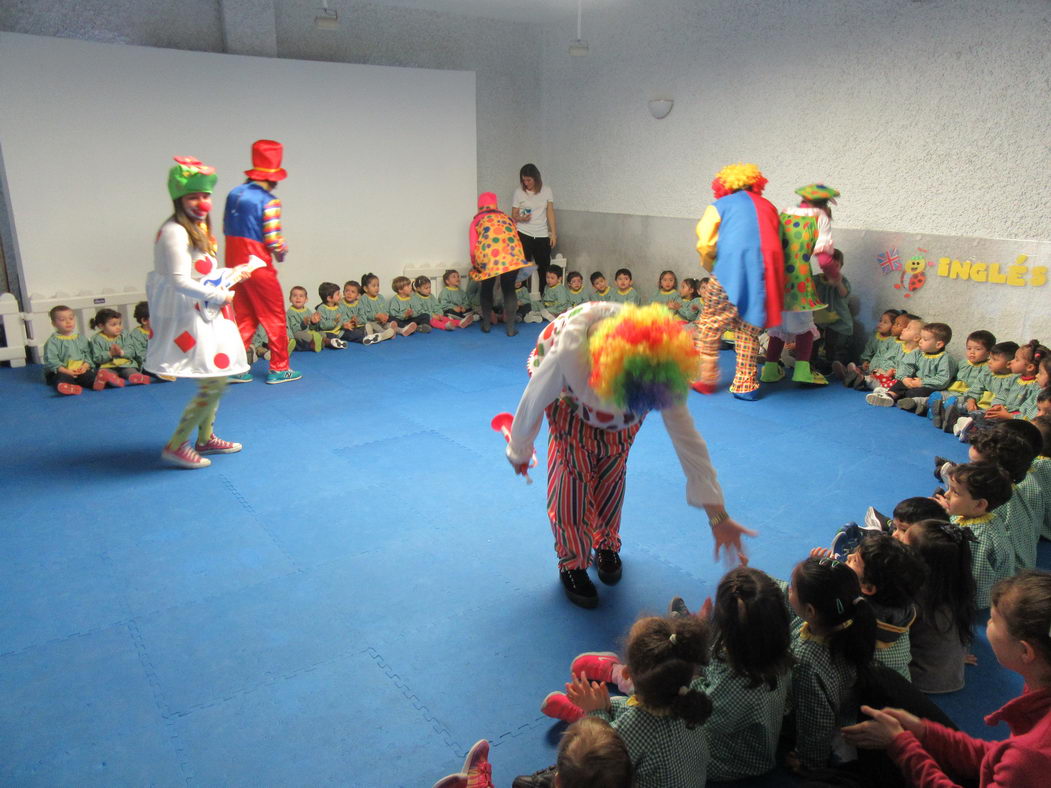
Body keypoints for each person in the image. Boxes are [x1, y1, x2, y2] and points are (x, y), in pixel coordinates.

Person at [505, 302, 754, 607]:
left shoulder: (656, 370)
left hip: (621, 427)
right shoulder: (567, 356)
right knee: (571, 486)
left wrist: (718, 515)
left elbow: (688, 443)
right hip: (570, 410)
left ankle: (606, 542)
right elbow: (533, 399)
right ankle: (572, 563)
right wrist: (520, 450)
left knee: (611, 477)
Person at [571, 567, 793, 782]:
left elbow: (606, 754)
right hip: (713, 718)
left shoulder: (729, 688)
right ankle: (675, 653)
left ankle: (618, 678)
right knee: (657, 682)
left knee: (632, 701)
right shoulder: (776, 645)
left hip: (729, 758)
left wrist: (597, 713)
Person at [842, 569, 1051, 787]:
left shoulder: (1030, 756)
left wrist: (901, 745)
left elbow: (1018, 762)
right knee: (881, 680)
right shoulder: (1040, 686)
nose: (987, 624)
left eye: (993, 620)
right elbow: (999, 757)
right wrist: (924, 732)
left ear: (1025, 652)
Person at [145, 156, 249, 468]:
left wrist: (232, 273)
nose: (202, 202)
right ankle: (177, 444)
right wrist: (221, 294)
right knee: (214, 381)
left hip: (206, 309)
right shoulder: (176, 231)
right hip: (188, 314)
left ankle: (205, 438)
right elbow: (179, 280)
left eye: (205, 196)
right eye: (194, 196)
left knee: (217, 376)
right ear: (180, 199)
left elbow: (202, 271)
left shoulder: (199, 227)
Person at [556, 614, 713, 787]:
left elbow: (602, 755)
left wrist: (596, 712)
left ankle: (582, 715)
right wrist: (607, 705)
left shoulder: (635, 727)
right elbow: (631, 707)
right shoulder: (692, 703)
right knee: (618, 703)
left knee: (581, 767)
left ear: (626, 674)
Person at [693, 163, 785, 400]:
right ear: (756, 184)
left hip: (727, 275)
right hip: (761, 280)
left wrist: (711, 265)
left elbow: (705, 243)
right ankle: (746, 385)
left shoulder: (719, 206)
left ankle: (706, 379)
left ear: (724, 186)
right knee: (747, 330)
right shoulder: (770, 208)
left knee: (710, 325)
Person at [786, 555, 877, 772]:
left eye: (792, 589)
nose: (788, 591)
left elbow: (816, 718)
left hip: (825, 720)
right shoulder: (848, 625)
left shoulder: (808, 663)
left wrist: (808, 761)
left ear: (810, 611)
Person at [224, 139, 301, 384]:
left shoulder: (233, 194)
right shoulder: (269, 201)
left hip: (235, 266)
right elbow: (274, 240)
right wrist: (282, 252)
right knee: (275, 316)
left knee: (245, 316)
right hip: (259, 266)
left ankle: (235, 366)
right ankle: (279, 368)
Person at [761, 183, 841, 387]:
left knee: (777, 327)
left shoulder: (786, 213)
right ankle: (802, 371)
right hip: (799, 281)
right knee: (804, 328)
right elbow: (824, 259)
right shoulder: (820, 218)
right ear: (825, 204)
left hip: (777, 279)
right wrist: (835, 276)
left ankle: (770, 370)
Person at [898, 520, 977, 694]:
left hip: (923, 679)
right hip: (951, 671)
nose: (896, 536)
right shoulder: (957, 585)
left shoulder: (915, 597)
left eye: (903, 545)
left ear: (919, 564)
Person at [841, 533, 928, 680]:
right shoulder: (902, 606)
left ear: (868, 588)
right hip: (901, 684)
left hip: (869, 691)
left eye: (854, 560)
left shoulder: (854, 615)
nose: (848, 557)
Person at [935, 462, 1014, 608]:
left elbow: (977, 585)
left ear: (979, 505)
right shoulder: (976, 516)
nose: (946, 494)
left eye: (955, 492)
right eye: (949, 489)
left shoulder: (978, 540)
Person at [470, 192, 529, 336]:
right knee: (509, 289)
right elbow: (514, 238)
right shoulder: (507, 218)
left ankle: (486, 325)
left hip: (489, 257)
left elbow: (473, 248)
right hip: (512, 256)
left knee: (487, 287)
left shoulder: (477, 221)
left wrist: (476, 265)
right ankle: (510, 328)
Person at [947, 341, 1020, 436]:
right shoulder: (987, 372)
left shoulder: (1013, 379)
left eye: (995, 359)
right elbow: (976, 387)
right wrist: (971, 400)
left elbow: (1005, 399)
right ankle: (954, 419)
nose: (989, 361)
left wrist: (995, 408)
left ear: (1008, 364)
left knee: (979, 416)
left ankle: (963, 427)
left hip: (991, 409)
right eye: (990, 358)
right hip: (978, 404)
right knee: (958, 404)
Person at [924, 329, 995, 424]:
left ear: (989, 352)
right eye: (969, 348)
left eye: (978, 349)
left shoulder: (988, 368)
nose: (972, 352)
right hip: (953, 391)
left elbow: (979, 388)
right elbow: (952, 376)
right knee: (937, 395)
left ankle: (944, 416)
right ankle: (934, 413)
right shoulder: (963, 363)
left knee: (953, 402)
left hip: (967, 395)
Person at [42, 305, 114, 394]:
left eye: (71, 318)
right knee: (61, 378)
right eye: (62, 320)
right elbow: (52, 361)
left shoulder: (81, 338)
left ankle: (98, 383)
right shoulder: (53, 342)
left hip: (80, 369)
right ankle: (68, 387)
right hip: (62, 370)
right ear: (54, 324)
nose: (68, 322)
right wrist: (67, 371)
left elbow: (88, 354)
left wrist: (85, 366)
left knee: (88, 375)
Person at [511, 164, 557, 295]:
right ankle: (522, 300)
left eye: (528, 180)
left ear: (536, 178)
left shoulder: (547, 190)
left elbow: (550, 212)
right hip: (523, 233)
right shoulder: (518, 192)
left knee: (544, 268)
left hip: (542, 234)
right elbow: (513, 214)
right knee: (522, 269)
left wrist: (553, 233)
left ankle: (545, 297)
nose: (526, 183)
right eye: (523, 180)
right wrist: (520, 217)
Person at [812, 249, 854, 374]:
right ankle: (812, 363)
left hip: (839, 320)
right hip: (818, 318)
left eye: (836, 266)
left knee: (835, 345)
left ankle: (837, 366)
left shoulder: (842, 280)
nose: (833, 270)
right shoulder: (816, 280)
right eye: (830, 266)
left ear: (841, 266)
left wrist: (838, 283)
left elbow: (844, 294)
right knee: (813, 341)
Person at [838, 308, 901, 388]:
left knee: (870, 376)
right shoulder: (875, 335)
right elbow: (868, 350)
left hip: (882, 369)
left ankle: (854, 377)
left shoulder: (894, 341)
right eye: (880, 320)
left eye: (885, 322)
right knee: (861, 368)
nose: (880, 324)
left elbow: (889, 359)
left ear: (893, 326)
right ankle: (849, 374)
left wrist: (880, 369)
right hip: (872, 365)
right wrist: (865, 361)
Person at [88, 308, 152, 385]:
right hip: (108, 365)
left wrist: (121, 352)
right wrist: (110, 354)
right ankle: (112, 380)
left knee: (131, 372)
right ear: (101, 326)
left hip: (126, 364)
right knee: (106, 374)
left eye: (119, 324)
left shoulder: (124, 335)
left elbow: (131, 351)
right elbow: (96, 358)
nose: (118, 327)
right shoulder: (96, 339)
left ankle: (137, 377)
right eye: (113, 325)